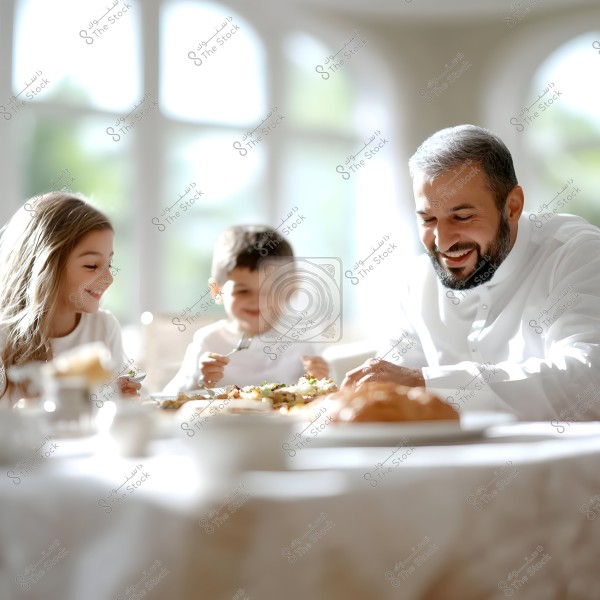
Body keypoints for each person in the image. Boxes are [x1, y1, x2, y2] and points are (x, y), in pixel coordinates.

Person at [342, 124, 600, 421]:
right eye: (427, 219)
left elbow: (589, 379)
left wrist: (426, 382)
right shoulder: (418, 280)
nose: (442, 241)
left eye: (462, 217)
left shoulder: (576, 253)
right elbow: (392, 385)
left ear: (512, 206)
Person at [0, 192, 141, 404]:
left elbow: (111, 410)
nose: (108, 279)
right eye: (91, 266)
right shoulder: (4, 341)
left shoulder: (103, 327)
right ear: (46, 267)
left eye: (108, 264)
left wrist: (122, 397)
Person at [163, 225, 329, 393]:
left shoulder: (302, 342)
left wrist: (321, 380)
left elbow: (332, 399)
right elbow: (170, 399)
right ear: (217, 290)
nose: (258, 301)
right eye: (243, 291)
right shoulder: (208, 342)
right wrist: (200, 380)